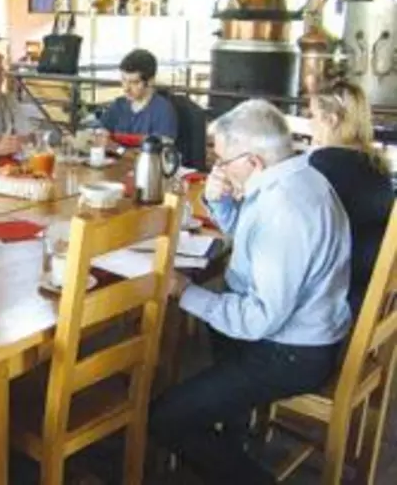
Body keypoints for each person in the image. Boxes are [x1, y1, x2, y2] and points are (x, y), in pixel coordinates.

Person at [149, 100, 352, 485]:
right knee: (217, 307)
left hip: (292, 352)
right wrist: (222, 201)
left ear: (254, 161)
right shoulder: (302, 176)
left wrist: (184, 291)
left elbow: (259, 318)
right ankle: (233, 430)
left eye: (224, 162)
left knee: (165, 418)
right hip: (308, 327)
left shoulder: (284, 211)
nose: (219, 169)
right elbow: (251, 241)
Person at [308, 81, 393, 316]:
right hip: (371, 287)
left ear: (331, 120)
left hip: (336, 294)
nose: (309, 123)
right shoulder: (378, 165)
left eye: (313, 116)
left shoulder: (321, 164)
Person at [99, 49, 177, 140]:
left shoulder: (163, 111)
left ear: (150, 81)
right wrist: (101, 134)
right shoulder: (118, 105)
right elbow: (99, 131)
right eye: (124, 80)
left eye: (134, 82)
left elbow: (160, 151)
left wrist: (116, 148)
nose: (126, 88)